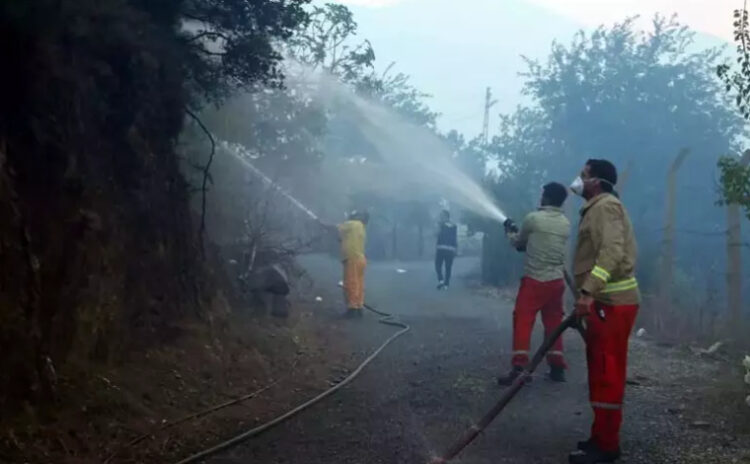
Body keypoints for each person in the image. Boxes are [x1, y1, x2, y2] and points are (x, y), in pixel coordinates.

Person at [568, 159, 640, 464]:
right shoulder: (597, 207)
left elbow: (612, 252)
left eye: (583, 175)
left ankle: (607, 447)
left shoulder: (605, 207)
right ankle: (600, 437)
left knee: (607, 373)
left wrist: (588, 291)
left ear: (595, 181)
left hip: (611, 303)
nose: (578, 180)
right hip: (605, 304)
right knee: (600, 371)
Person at [497, 182, 571, 386]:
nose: (540, 198)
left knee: (523, 320)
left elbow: (519, 244)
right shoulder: (565, 223)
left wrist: (510, 231)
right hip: (556, 282)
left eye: (542, 195)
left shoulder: (533, 219)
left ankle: (520, 367)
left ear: (546, 198)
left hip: (535, 280)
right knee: (554, 323)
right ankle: (557, 368)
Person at [321, 210, 370, 318]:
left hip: (352, 258)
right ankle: (358, 306)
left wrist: (322, 223)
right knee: (359, 284)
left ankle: (352, 308)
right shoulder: (360, 227)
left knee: (350, 283)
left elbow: (335, 228)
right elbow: (341, 237)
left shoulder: (353, 224)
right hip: (360, 258)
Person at [435, 210, 458, 290]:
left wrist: (439, 226)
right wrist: (455, 249)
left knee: (438, 265)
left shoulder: (440, 225)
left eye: (442, 216)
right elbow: (455, 238)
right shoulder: (454, 225)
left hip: (441, 248)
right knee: (448, 267)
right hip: (450, 249)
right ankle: (446, 284)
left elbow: (437, 234)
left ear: (446, 216)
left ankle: (441, 280)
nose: (441, 217)